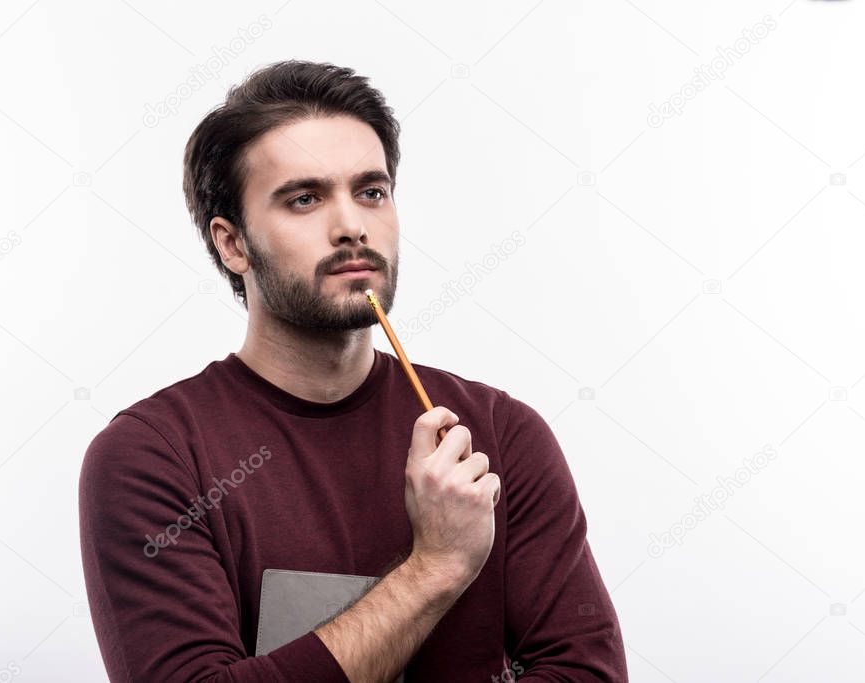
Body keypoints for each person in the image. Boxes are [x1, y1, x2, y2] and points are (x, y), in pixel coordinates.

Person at [78, 58, 627, 682]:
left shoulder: (498, 435)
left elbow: (587, 672)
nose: (352, 228)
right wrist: (435, 568)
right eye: (305, 199)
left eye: (371, 191)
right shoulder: (153, 456)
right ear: (233, 245)